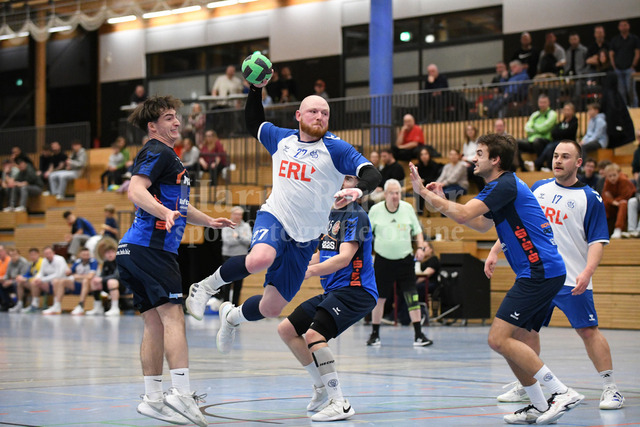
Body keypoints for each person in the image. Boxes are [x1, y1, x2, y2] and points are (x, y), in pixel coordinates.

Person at [185, 77, 381, 355]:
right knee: (260, 258)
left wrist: (358, 190)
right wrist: (255, 89)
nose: (320, 116)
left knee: (271, 307)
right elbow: (254, 123)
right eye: (313, 111)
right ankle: (205, 288)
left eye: (325, 113)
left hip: (305, 238)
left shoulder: (337, 149)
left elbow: (372, 173)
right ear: (298, 115)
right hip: (275, 216)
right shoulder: (282, 138)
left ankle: (231, 317)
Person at [410, 133, 582, 424]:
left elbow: (464, 214)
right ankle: (539, 405)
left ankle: (560, 392)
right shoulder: (501, 187)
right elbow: (478, 224)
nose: (473, 159)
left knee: (498, 338)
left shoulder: (505, 184)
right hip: (541, 271)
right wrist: (441, 201)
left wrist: (423, 194)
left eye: (479, 153)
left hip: (539, 272)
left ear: (495, 159)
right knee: (516, 340)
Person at [116, 94, 234, 426]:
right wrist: (163, 212)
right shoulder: (157, 150)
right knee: (173, 318)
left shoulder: (169, 157)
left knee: (154, 323)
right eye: (169, 117)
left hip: (134, 251)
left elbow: (179, 206)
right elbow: (135, 190)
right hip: (151, 249)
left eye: (176, 116)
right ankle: (181, 394)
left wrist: (208, 221)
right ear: (153, 127)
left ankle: (153, 399)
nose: (177, 121)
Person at [494, 140, 624, 410]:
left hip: (571, 278)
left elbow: (597, 241)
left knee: (587, 330)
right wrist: (495, 250)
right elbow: (518, 222)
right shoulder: (538, 188)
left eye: (565, 156)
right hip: (539, 276)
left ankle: (611, 388)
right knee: (525, 330)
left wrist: (587, 272)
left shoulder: (590, 198)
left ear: (578, 162)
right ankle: (527, 385)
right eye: (555, 155)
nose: (558, 160)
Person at [277, 175, 377, 422]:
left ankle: (339, 402)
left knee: (314, 335)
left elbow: (344, 258)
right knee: (287, 329)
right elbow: (322, 254)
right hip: (334, 291)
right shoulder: (329, 214)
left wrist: (309, 271)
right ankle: (321, 387)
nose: (341, 182)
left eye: (347, 178)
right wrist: (292, 265)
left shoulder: (356, 215)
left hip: (355, 290)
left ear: (355, 185)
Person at [366, 179, 432, 347]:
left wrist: (421, 248)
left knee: (412, 296)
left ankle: (418, 335)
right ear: (385, 194)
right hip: (383, 260)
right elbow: (366, 235)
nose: (395, 196)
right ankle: (375, 334)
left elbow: (418, 232)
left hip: (405, 260)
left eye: (398, 193)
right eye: (392, 193)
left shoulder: (407, 208)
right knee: (379, 298)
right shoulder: (375, 210)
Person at [50, 247, 98, 316]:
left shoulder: (93, 262)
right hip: (78, 284)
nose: (86, 257)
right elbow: (69, 273)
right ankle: (57, 305)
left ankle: (81, 305)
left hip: (90, 286)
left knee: (86, 280)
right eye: (84, 255)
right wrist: (67, 272)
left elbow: (90, 276)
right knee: (61, 281)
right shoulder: (77, 262)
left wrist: (78, 276)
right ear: (80, 255)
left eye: (87, 255)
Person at [219, 206, 252, 307]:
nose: (238, 216)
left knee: (239, 282)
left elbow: (249, 241)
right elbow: (228, 242)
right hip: (228, 256)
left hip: (242, 257)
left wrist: (237, 237)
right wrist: (242, 238)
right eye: (236, 214)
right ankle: (225, 305)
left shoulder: (246, 226)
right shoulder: (226, 225)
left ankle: (235, 306)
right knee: (227, 281)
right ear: (232, 214)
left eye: (240, 214)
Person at [517, 94, 557, 172]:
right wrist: (538, 129)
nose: (542, 104)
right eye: (540, 102)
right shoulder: (535, 114)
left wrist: (534, 127)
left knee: (537, 141)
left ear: (548, 103)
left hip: (545, 141)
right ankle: (523, 167)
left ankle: (539, 165)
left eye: (544, 102)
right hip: (531, 140)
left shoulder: (552, 114)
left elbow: (545, 128)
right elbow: (527, 128)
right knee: (515, 142)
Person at [535, 102, 578, 171]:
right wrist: (561, 133)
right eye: (565, 110)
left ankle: (538, 164)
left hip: (568, 142)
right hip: (558, 141)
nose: (566, 112)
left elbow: (568, 133)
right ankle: (542, 165)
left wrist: (560, 133)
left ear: (573, 111)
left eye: (568, 110)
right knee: (545, 144)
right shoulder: (562, 122)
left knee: (551, 147)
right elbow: (554, 132)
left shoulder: (574, 122)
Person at [24, 246, 68, 313]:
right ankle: (34, 304)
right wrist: (37, 279)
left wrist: (42, 280)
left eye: (49, 253)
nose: (48, 255)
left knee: (55, 281)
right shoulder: (44, 261)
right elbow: (41, 273)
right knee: (34, 282)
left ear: (53, 253)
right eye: (46, 254)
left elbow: (59, 275)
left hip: (62, 281)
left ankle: (56, 305)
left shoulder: (60, 259)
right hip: (49, 282)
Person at [609, 20, 640, 107]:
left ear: (628, 26)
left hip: (629, 69)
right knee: (621, 92)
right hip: (618, 69)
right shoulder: (615, 40)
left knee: (631, 90)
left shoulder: (634, 39)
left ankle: (634, 108)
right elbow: (611, 54)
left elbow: (637, 53)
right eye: (621, 25)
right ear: (619, 27)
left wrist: (633, 65)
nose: (623, 27)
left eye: (625, 25)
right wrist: (614, 66)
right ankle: (624, 109)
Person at [602, 163, 636, 239]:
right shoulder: (607, 182)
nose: (612, 178)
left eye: (614, 175)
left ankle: (618, 229)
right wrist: (613, 202)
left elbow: (626, 195)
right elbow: (605, 196)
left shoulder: (624, 180)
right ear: (606, 176)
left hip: (627, 202)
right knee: (604, 204)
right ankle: (602, 229)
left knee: (623, 203)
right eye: (610, 176)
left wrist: (613, 200)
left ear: (619, 173)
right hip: (615, 203)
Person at [86, 246, 121, 316]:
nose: (110, 255)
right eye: (108, 253)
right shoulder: (106, 262)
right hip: (108, 285)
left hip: (121, 285)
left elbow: (117, 276)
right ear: (105, 254)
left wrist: (102, 279)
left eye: (112, 252)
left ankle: (115, 308)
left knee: (112, 282)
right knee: (94, 281)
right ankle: (98, 307)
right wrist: (98, 279)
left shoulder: (119, 261)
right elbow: (102, 275)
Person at [9, 248, 42, 313]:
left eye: (34, 255)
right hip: (33, 282)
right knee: (20, 283)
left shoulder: (41, 262)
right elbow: (28, 274)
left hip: (41, 283)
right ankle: (19, 304)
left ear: (38, 254)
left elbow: (39, 275)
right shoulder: (32, 264)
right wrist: (21, 277)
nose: (33, 256)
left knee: (33, 283)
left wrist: (26, 279)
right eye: (31, 255)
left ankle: (34, 305)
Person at [414, 147, 443, 214]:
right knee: (418, 192)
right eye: (422, 154)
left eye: (426, 154)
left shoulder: (435, 166)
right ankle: (419, 214)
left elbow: (436, 179)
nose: (424, 156)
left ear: (429, 155)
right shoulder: (417, 167)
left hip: (432, 186)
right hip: (422, 187)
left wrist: (424, 180)